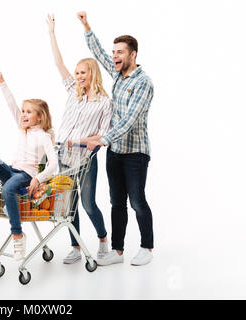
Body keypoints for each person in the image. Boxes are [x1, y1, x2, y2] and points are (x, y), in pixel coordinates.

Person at [77, 11, 155, 266]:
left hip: (135, 152)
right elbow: (98, 52)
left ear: (133, 54)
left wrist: (102, 138)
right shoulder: (117, 74)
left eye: (120, 52)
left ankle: (146, 247)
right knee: (116, 202)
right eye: (114, 53)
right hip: (115, 151)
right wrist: (87, 26)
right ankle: (118, 251)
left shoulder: (143, 82)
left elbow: (130, 120)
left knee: (137, 201)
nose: (114, 57)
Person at [0, 69, 58, 261]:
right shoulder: (22, 128)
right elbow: (10, 103)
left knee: (8, 188)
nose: (23, 114)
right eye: (23, 111)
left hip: (25, 176)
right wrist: (1, 82)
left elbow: (53, 164)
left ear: (40, 117)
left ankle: (17, 235)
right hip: (12, 171)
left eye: (28, 112)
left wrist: (37, 179)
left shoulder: (44, 136)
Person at [46, 14, 113, 264]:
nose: (78, 76)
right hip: (62, 155)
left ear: (92, 73)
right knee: (68, 205)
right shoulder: (72, 93)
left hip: (84, 159)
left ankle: (103, 240)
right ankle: (75, 246)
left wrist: (81, 141)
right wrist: (52, 33)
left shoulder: (104, 102)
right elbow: (58, 63)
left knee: (87, 204)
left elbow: (104, 135)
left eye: (82, 72)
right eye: (76, 72)